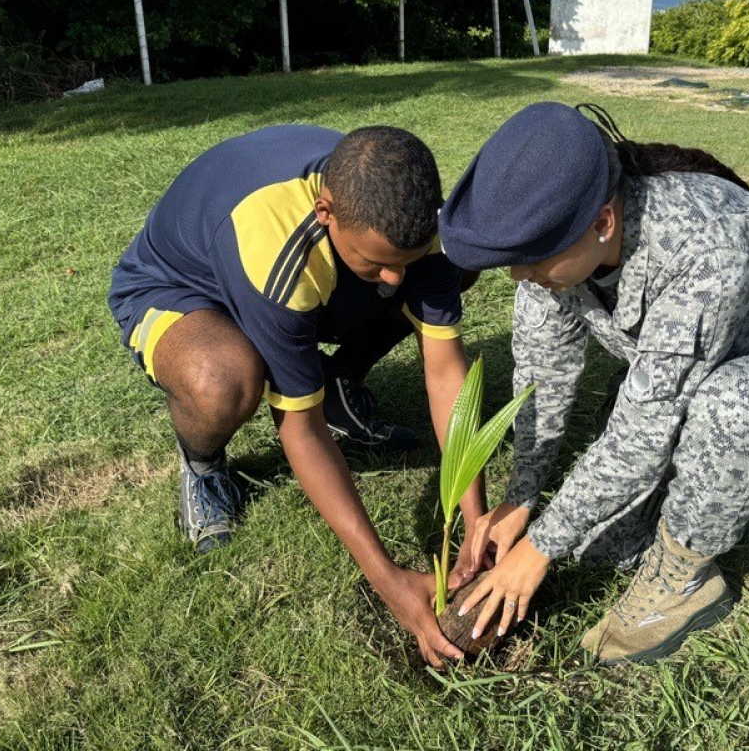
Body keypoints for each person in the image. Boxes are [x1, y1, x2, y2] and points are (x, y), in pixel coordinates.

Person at [438, 102, 749, 665]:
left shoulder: (711, 244)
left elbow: (646, 429)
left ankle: (694, 574)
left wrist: (539, 549)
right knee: (608, 541)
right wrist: (521, 499)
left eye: (530, 262)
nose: (518, 277)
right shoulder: (555, 240)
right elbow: (542, 378)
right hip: (707, 369)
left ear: (603, 222)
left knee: (732, 406)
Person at [108, 124, 485, 667]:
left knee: (453, 268)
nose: (393, 278)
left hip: (312, 268)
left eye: (403, 257)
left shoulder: (406, 220)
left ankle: (340, 378)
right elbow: (301, 430)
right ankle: (204, 464)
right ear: (327, 210)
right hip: (180, 286)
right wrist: (387, 579)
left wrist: (475, 519)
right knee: (224, 383)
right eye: (376, 260)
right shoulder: (278, 246)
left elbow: (448, 376)